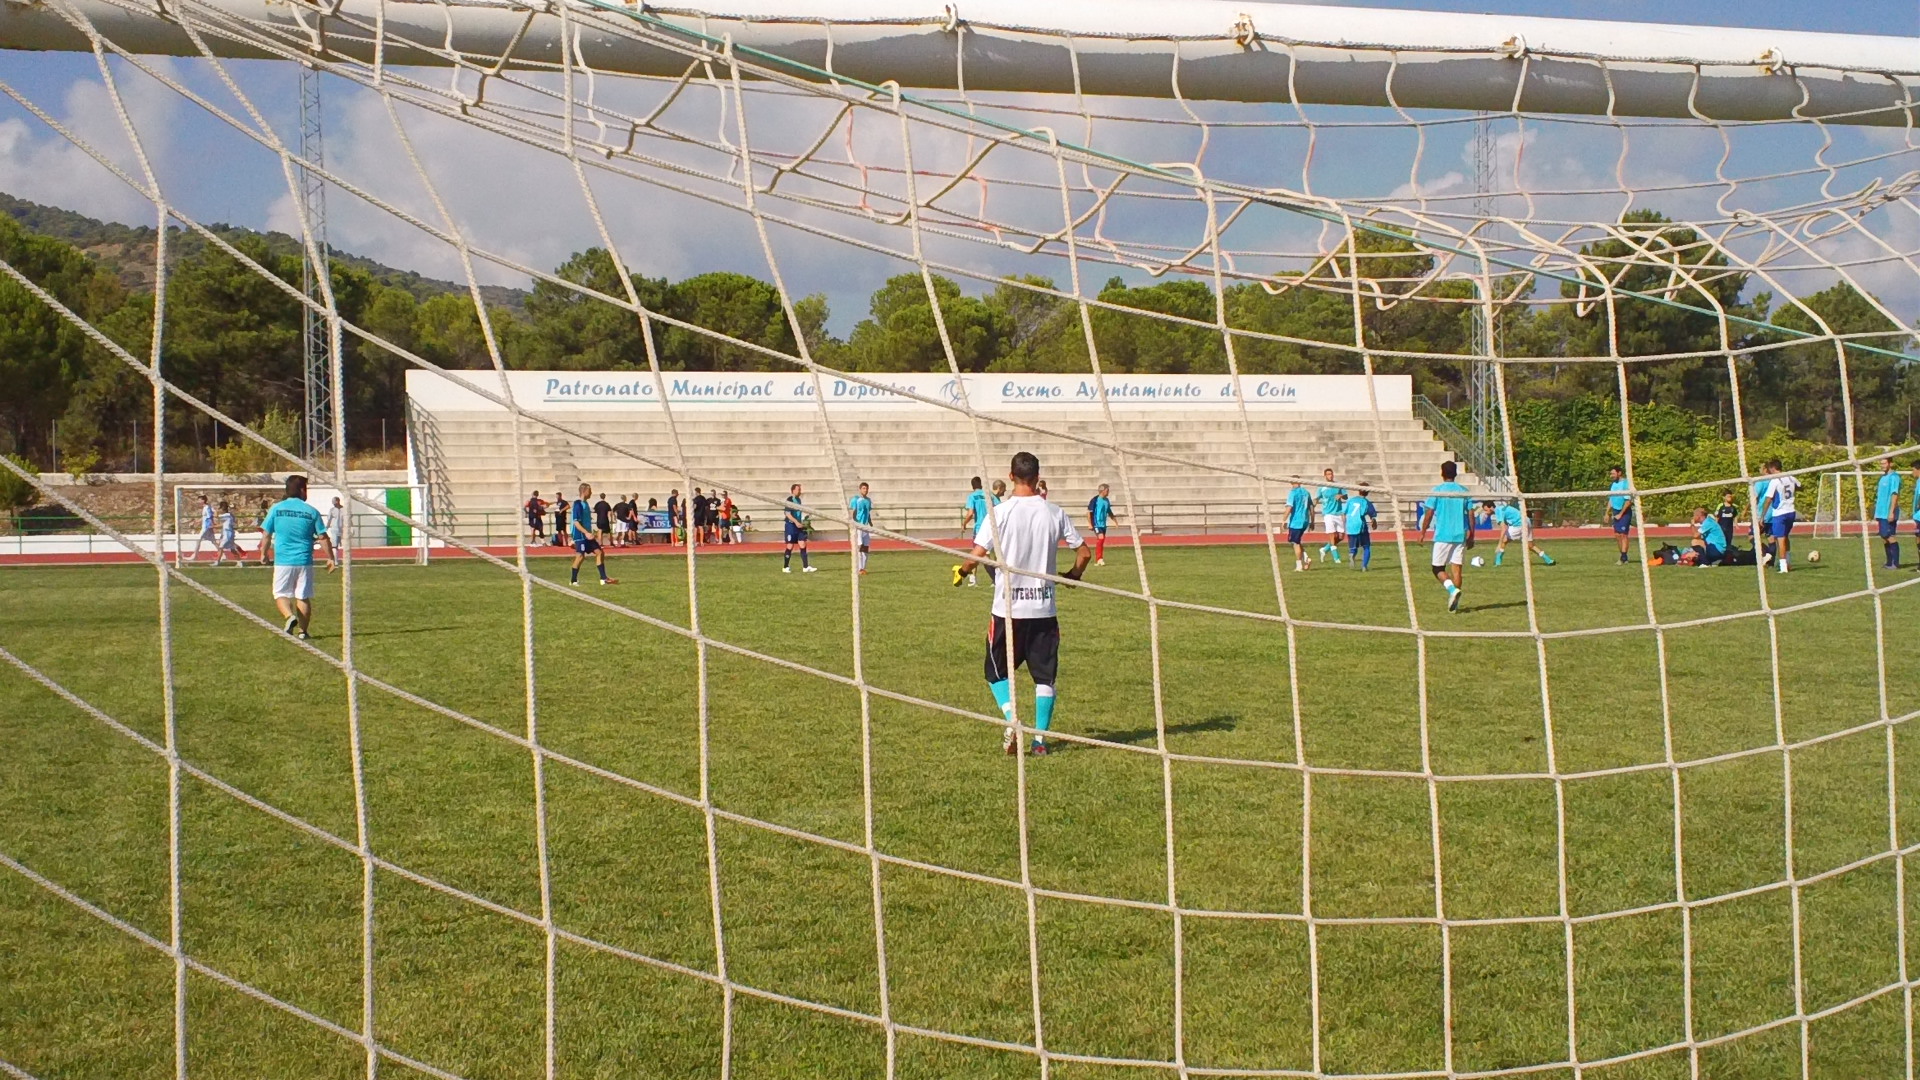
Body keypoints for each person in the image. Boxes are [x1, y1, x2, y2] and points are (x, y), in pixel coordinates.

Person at [951, 452, 1091, 756]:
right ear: (1037, 477)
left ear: (1011, 476)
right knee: (1044, 677)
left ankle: (1012, 718)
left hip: (1007, 611)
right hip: (1044, 610)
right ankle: (1039, 742)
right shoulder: (1054, 512)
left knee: (996, 672)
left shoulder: (1000, 513)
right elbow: (1084, 553)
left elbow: (976, 556)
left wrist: (961, 571)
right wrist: (1072, 576)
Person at [258, 474, 337, 640]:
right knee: (303, 596)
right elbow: (323, 537)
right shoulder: (311, 511)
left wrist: (263, 554)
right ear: (302, 490)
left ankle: (289, 616)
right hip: (304, 561)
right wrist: (331, 557)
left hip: (283, 561)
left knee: (280, 593)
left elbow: (266, 534)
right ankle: (303, 632)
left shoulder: (276, 509)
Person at [1419, 460, 1471, 613]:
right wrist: (1472, 534)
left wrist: (1423, 532)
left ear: (1442, 473)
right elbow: (1471, 513)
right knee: (1457, 570)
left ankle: (1452, 590)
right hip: (1459, 535)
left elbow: (1429, 513)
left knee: (1437, 568)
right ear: (1456, 473)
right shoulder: (1464, 491)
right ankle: (1455, 604)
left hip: (1443, 535)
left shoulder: (1438, 490)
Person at [568, 483, 618, 587]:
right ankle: (573, 580)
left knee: (600, 552)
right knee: (580, 556)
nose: (591, 493)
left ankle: (603, 578)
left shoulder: (586, 504)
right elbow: (576, 522)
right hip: (580, 536)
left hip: (588, 535)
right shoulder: (578, 504)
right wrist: (586, 532)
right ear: (584, 491)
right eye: (589, 491)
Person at [1484, 500, 1554, 567]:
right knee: (1530, 545)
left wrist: (1499, 545)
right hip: (1527, 521)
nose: (1486, 512)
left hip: (1519, 524)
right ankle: (1548, 560)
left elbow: (1504, 528)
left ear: (1491, 507)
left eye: (1486, 510)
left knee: (1503, 541)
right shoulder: (1502, 507)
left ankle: (1497, 562)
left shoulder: (1498, 511)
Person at [1759, 458, 1800, 573]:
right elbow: (1800, 486)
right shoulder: (1790, 477)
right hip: (1791, 511)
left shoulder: (1775, 481)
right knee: (1785, 537)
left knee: (1780, 539)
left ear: (1773, 468)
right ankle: (1788, 562)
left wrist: (1762, 516)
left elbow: (1768, 499)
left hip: (1780, 513)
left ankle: (1783, 567)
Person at [1874, 458, 1904, 570]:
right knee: (1884, 536)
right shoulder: (1883, 478)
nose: (1882, 465)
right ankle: (1889, 562)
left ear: (1890, 463)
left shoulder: (1894, 477)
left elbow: (1894, 495)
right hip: (1881, 513)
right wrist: (1877, 513)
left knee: (1889, 536)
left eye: (1884, 463)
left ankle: (1895, 563)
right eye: (1881, 463)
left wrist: (1891, 512)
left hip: (1888, 512)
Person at [962, 477, 991, 587]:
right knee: (986, 555)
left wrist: (964, 523)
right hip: (990, 528)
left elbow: (970, 513)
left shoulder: (972, 496)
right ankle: (974, 579)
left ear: (972, 486)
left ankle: (993, 578)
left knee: (978, 555)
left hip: (979, 528)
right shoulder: (988, 495)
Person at [1315, 468, 1345, 565]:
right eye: (1328, 474)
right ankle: (1336, 558)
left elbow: (1346, 496)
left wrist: (1341, 496)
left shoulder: (1338, 485)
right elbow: (1317, 498)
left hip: (1338, 512)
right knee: (1332, 536)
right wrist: (1312, 505)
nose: (1330, 476)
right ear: (1325, 476)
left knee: (1341, 536)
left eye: (1331, 474)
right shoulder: (1322, 487)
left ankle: (1324, 549)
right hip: (1328, 513)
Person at [783, 483, 815, 573]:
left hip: (798, 525)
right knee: (790, 546)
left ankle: (806, 567)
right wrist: (796, 522)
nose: (800, 491)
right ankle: (785, 567)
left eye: (800, 490)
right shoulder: (789, 500)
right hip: (790, 525)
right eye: (798, 490)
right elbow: (788, 514)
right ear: (793, 490)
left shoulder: (798, 500)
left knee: (802, 544)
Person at [1344, 487, 1376, 570]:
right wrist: (1373, 522)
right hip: (1361, 525)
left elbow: (1343, 513)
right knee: (1366, 546)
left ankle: (1352, 554)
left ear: (1359, 491)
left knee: (1353, 547)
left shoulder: (1351, 500)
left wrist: (1345, 524)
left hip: (1350, 526)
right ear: (1367, 492)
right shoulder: (1366, 502)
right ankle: (1364, 566)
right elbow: (1372, 515)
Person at [1284, 479, 1314, 571]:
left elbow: (1289, 507)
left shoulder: (1293, 493)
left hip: (1296, 521)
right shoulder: (1306, 492)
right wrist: (1312, 521)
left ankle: (1299, 566)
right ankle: (1306, 558)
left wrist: (1283, 519)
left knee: (1295, 543)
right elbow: (1311, 507)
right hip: (1305, 520)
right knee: (1296, 540)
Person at [1607, 465, 1633, 565]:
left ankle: (1623, 558)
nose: (1611, 475)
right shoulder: (1613, 484)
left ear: (1619, 473)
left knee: (1623, 534)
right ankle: (1623, 556)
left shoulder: (1625, 484)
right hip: (1615, 512)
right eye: (1611, 474)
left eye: (1613, 473)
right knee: (1617, 535)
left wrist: (1621, 514)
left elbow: (1628, 501)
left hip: (1624, 512)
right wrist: (1607, 513)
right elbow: (1611, 499)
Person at [1086, 484, 1115, 567]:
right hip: (1096, 524)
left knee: (1101, 540)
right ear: (1103, 491)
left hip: (1103, 525)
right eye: (1107, 490)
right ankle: (1099, 559)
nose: (1108, 492)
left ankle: (1099, 559)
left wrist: (1115, 521)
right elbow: (1089, 512)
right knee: (1101, 538)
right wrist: (1090, 524)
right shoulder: (1095, 500)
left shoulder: (1106, 500)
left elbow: (1109, 511)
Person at [850, 481, 874, 575]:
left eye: (866, 488)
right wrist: (856, 523)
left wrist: (870, 522)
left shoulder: (868, 500)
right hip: (859, 526)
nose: (865, 490)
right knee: (859, 546)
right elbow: (854, 512)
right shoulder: (856, 500)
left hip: (865, 527)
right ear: (860, 489)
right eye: (863, 488)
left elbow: (868, 512)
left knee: (866, 547)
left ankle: (863, 568)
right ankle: (858, 567)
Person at [212, 501, 245, 566]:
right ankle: (239, 562)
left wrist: (215, 510)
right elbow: (224, 524)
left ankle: (217, 562)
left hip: (227, 534)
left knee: (221, 547)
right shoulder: (229, 515)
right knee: (232, 549)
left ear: (222, 508)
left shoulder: (227, 515)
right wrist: (214, 526)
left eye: (220, 508)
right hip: (228, 533)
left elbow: (216, 517)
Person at [188, 494, 216, 561]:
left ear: (203, 500)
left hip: (206, 527)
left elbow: (209, 517)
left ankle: (194, 556)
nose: (198, 501)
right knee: (213, 541)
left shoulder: (207, 508)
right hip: (207, 527)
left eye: (199, 500)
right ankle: (223, 555)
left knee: (198, 540)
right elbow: (204, 517)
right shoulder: (205, 507)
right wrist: (196, 522)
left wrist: (211, 525)